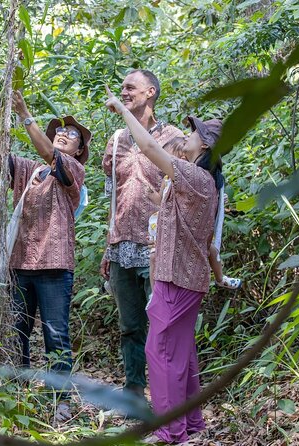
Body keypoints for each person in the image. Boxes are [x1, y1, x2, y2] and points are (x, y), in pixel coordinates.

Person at [107, 85, 221, 444]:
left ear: (204, 145)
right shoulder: (198, 181)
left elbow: (149, 147)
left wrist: (123, 112)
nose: (186, 136)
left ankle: (170, 431)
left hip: (178, 278)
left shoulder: (196, 177)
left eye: (193, 133)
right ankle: (190, 424)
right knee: (181, 353)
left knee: (160, 352)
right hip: (185, 277)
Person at [99, 69, 184, 401]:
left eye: (130, 87)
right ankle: (134, 394)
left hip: (157, 247)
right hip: (121, 247)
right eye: (121, 88)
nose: (124, 92)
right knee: (130, 326)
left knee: (163, 325)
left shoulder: (174, 138)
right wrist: (109, 245)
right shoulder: (117, 140)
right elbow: (113, 194)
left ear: (150, 92)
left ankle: (168, 395)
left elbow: (182, 190)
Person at [9, 90, 91, 423]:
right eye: (59, 130)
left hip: (55, 265)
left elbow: (48, 153)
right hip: (20, 263)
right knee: (18, 331)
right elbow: (2, 160)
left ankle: (60, 399)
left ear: (79, 150)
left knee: (56, 334)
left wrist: (24, 113)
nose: (62, 134)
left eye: (71, 134)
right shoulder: (31, 171)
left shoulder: (71, 169)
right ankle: (16, 394)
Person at [149, 137, 242, 291]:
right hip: (169, 227)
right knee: (154, 258)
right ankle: (154, 294)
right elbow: (162, 201)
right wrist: (150, 195)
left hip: (192, 233)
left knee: (212, 249)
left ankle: (220, 277)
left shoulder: (194, 177)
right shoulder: (167, 180)